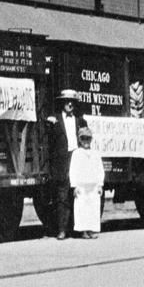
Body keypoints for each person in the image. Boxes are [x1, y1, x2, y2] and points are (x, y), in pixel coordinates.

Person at [45, 89, 87, 240]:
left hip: (77, 159)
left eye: (72, 101)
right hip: (62, 162)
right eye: (67, 101)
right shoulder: (54, 120)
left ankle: (82, 229)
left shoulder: (81, 121)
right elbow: (49, 144)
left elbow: (86, 141)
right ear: (62, 103)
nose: (70, 104)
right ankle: (62, 230)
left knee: (80, 194)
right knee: (62, 196)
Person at [69, 128, 105, 239]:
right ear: (79, 140)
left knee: (93, 208)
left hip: (93, 186)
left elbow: (100, 169)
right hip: (82, 186)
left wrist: (100, 184)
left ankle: (91, 230)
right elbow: (73, 170)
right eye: (83, 138)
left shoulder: (95, 153)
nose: (86, 141)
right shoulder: (76, 153)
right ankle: (83, 231)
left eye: (88, 138)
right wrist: (74, 186)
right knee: (82, 208)